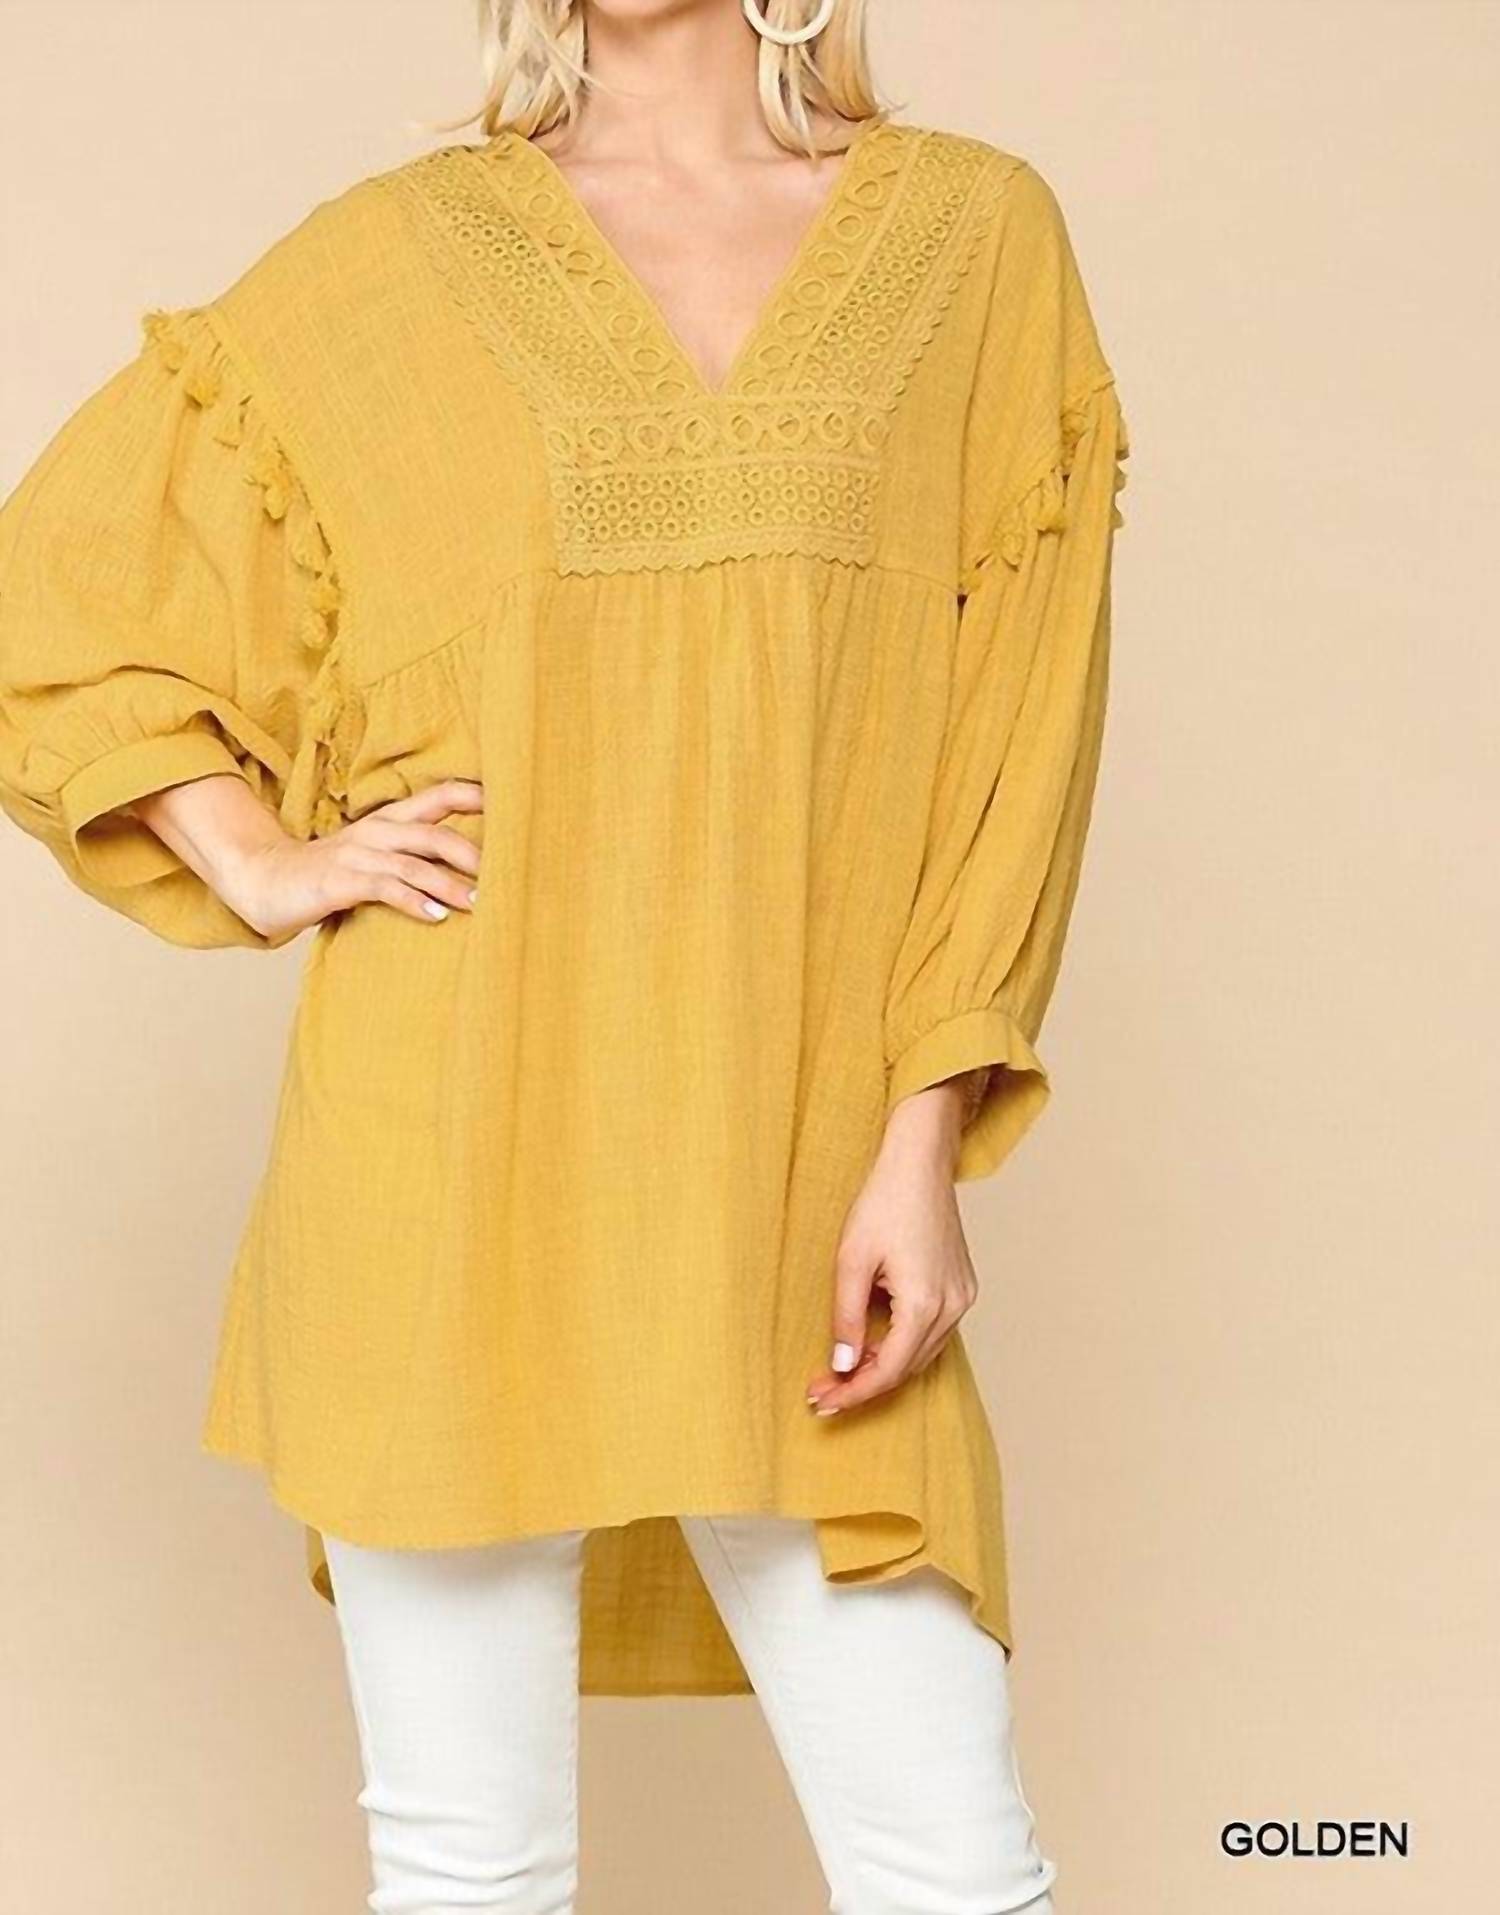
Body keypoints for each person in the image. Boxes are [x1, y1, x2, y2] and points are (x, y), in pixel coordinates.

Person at [0, 1, 1130, 1908]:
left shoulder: (974, 236)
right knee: (470, 1870)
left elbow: (1019, 724)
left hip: (805, 1170)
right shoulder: (394, 261)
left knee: (953, 1866)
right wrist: (260, 861)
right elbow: (62, 592)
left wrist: (923, 1135)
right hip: (451, 1155)